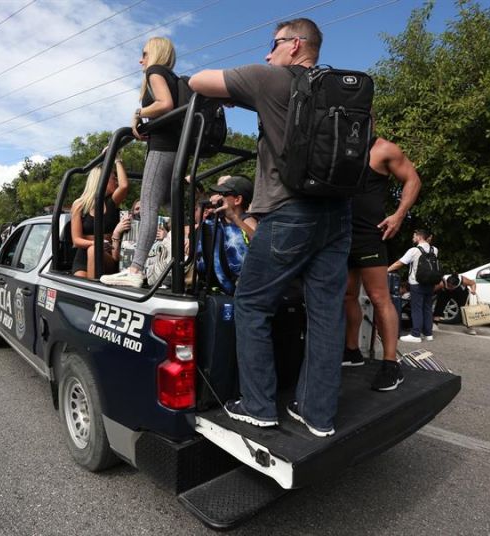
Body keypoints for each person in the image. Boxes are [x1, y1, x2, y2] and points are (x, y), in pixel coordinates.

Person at [189, 18, 349, 437]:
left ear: (295, 45)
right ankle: (317, 414)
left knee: (251, 304)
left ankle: (259, 405)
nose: (267, 52)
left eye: (274, 44)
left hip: (289, 211)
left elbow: (198, 81)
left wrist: (237, 93)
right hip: (337, 214)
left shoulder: (270, 79)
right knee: (326, 315)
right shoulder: (338, 90)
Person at [343, 136, 421, 391]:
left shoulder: (383, 149)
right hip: (340, 235)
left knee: (379, 297)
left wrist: (399, 215)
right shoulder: (338, 145)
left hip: (369, 235)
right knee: (347, 295)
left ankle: (391, 364)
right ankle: (352, 351)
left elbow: (413, 179)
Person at [100, 36, 180, 288]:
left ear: (155, 54)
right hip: (173, 149)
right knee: (168, 202)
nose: (141, 59)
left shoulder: (156, 72)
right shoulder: (174, 78)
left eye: (144, 54)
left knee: (147, 207)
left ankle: (135, 269)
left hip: (163, 150)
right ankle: (176, 256)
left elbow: (165, 104)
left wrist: (139, 113)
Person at [197, 176, 257, 295]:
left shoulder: (247, 220)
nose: (220, 197)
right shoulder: (216, 220)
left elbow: (259, 242)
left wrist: (234, 218)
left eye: (224, 194)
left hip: (241, 289)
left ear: (237, 200)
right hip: (213, 286)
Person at [71, 158, 129, 279]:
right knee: (80, 284)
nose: (117, 182)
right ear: (102, 180)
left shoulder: (112, 201)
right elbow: (76, 240)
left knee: (94, 250)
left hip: (107, 256)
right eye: (114, 178)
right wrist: (96, 243)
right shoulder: (79, 205)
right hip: (83, 257)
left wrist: (117, 159)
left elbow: (124, 186)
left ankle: (95, 294)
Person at [387, 229, 438, 342]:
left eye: (414, 236)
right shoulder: (434, 249)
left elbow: (399, 263)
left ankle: (415, 335)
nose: (413, 238)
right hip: (430, 283)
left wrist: (386, 270)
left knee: (417, 309)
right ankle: (428, 334)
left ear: (419, 237)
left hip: (417, 283)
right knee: (427, 308)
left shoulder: (414, 250)